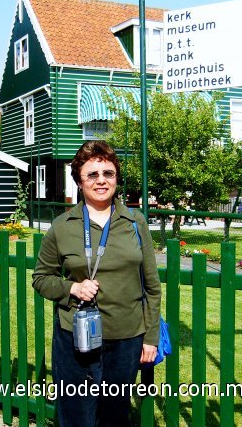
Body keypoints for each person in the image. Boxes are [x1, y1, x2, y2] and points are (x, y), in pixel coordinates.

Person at [32, 140, 161, 426]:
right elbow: (41, 278)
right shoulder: (62, 226)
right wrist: (72, 289)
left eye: (108, 173)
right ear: (79, 180)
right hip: (75, 339)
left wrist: (150, 337)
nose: (101, 180)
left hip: (126, 340)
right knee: (76, 416)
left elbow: (152, 287)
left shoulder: (135, 222)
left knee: (115, 416)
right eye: (92, 174)